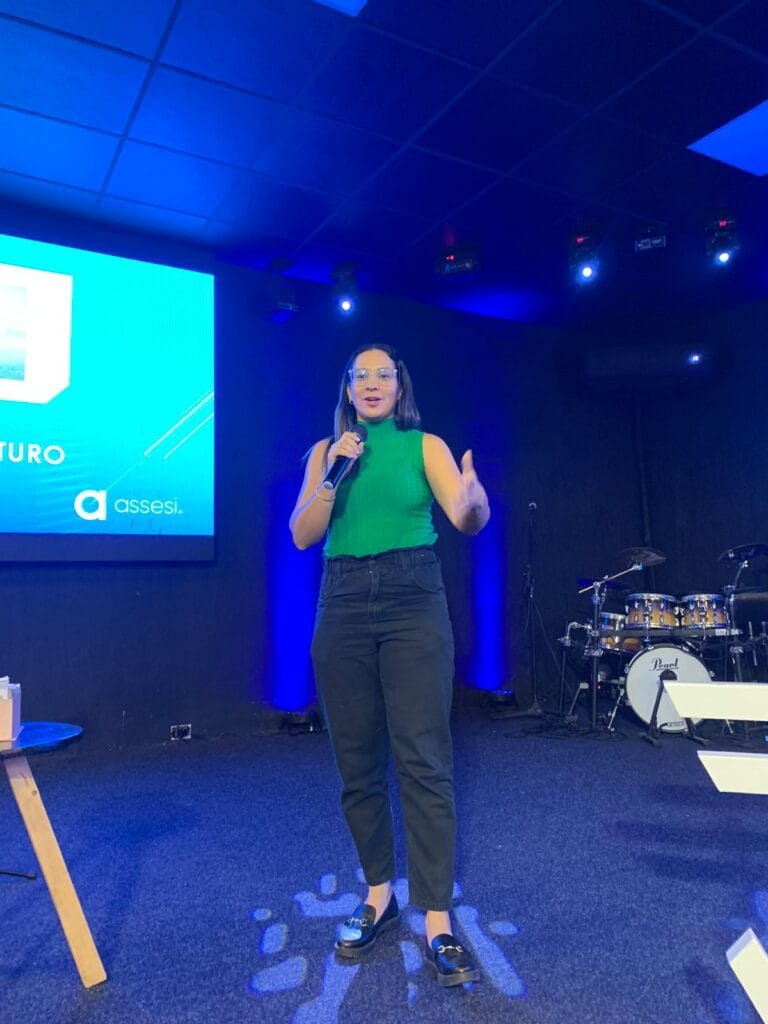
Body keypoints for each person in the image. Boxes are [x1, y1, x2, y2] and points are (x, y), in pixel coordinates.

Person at [289, 344, 490, 987]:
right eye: (362, 375)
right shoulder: (326, 452)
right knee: (357, 762)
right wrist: (332, 474)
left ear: (399, 387)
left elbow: (465, 516)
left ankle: (437, 916)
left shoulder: (425, 445)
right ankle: (379, 893)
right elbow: (302, 534)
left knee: (423, 757)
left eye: (385, 374)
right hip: (342, 599)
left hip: (412, 598)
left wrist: (475, 502)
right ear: (348, 389)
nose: (373, 383)